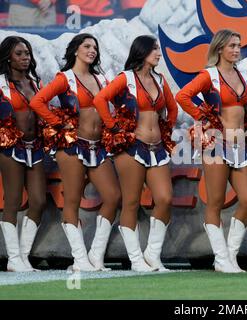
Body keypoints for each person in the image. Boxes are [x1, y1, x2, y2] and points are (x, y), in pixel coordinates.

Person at [30, 33, 121, 272]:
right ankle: (79, 260)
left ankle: (95, 257)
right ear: (76, 50)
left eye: (95, 47)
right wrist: (58, 124)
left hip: (97, 146)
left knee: (113, 197)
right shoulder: (65, 78)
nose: (92, 50)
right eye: (87, 46)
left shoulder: (101, 78)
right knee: (72, 199)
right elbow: (38, 102)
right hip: (72, 146)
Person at [176, 29, 247, 273]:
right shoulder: (209, 76)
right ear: (220, 48)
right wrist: (204, 116)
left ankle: (230, 255)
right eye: (232, 45)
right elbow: (183, 96)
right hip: (216, 144)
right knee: (215, 202)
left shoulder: (244, 75)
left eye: (238, 45)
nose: (236, 49)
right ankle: (221, 258)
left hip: (240, 144)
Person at [93, 35, 178, 272]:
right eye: (155, 50)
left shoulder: (160, 80)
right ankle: (136, 259)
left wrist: (166, 128)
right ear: (142, 52)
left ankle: (152, 255)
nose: (159, 53)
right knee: (130, 202)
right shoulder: (125, 78)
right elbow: (100, 100)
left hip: (157, 148)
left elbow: (173, 108)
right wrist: (114, 127)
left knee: (164, 198)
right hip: (131, 147)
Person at [0, 36, 46, 272]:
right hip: (10, 148)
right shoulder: (0, 83)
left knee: (38, 200)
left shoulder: (35, 82)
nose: (25, 58)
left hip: (35, 147)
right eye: (19, 53)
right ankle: (13, 258)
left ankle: (23, 257)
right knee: (13, 201)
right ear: (8, 56)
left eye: (27, 53)